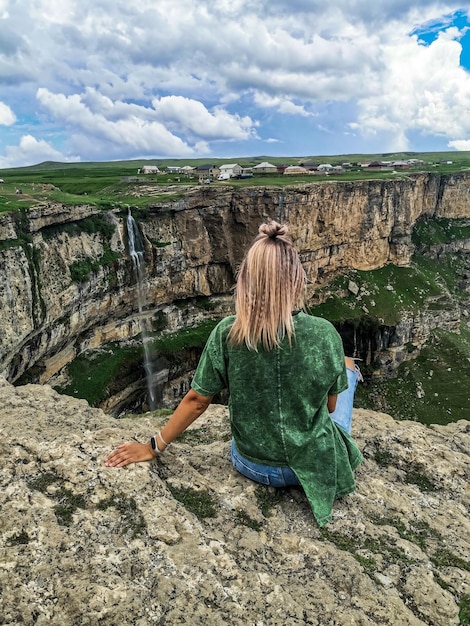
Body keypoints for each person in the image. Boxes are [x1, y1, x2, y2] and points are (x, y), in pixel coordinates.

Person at [105, 221, 363, 526]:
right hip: (305, 466)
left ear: (247, 279)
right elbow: (331, 407)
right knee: (347, 367)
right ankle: (352, 370)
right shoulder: (324, 334)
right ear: (296, 279)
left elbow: (197, 400)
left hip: (250, 464)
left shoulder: (227, 332)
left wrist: (152, 447)